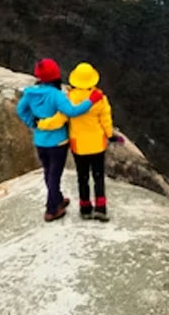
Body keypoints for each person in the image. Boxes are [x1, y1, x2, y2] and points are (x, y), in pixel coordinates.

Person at [16, 58, 102, 221]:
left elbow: (21, 110)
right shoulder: (56, 95)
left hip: (40, 141)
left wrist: (33, 123)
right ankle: (52, 209)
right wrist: (91, 100)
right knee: (55, 175)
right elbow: (72, 111)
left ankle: (58, 199)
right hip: (58, 142)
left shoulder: (31, 93)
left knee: (49, 172)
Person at [39, 61, 115, 220]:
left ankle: (85, 208)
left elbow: (60, 119)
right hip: (97, 144)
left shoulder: (70, 98)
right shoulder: (100, 98)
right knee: (98, 176)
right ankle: (100, 208)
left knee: (83, 178)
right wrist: (109, 134)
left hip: (78, 146)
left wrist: (42, 124)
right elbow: (106, 121)